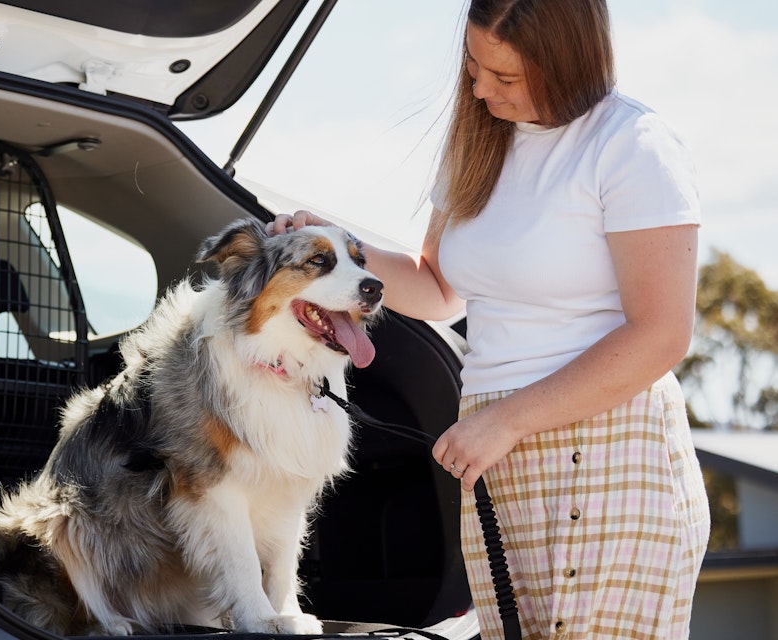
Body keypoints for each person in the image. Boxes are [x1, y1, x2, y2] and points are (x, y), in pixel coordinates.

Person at [271, 0, 709, 637]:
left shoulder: (633, 145)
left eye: (505, 77)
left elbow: (662, 334)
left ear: (567, 63)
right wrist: (336, 246)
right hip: (496, 453)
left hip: (607, 449)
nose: (480, 90)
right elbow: (438, 287)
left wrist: (506, 420)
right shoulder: (479, 141)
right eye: (474, 68)